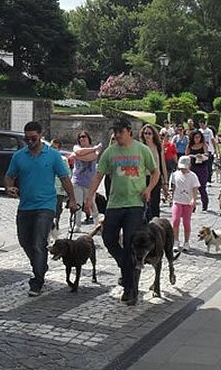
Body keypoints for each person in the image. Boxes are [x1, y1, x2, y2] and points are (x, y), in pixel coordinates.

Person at [84, 118, 159, 306]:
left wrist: (149, 189)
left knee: (129, 244)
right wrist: (89, 197)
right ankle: (126, 269)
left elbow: (155, 172)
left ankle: (130, 289)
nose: (117, 135)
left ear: (129, 132)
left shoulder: (142, 150)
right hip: (114, 204)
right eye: (115, 132)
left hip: (135, 203)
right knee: (108, 238)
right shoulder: (110, 152)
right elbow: (99, 175)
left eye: (120, 131)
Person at [4, 121, 78, 297]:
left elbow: (65, 178)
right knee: (24, 241)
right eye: (26, 138)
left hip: (46, 206)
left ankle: (37, 280)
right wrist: (9, 187)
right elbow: (9, 176)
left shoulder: (52, 155)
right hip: (25, 205)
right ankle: (40, 264)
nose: (29, 142)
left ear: (41, 135)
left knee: (38, 242)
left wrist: (73, 200)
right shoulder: (19, 156)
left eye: (33, 138)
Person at [71, 131, 102, 230]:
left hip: (90, 182)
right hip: (77, 181)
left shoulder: (94, 150)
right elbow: (79, 152)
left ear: (88, 138)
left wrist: (79, 156)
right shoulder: (76, 147)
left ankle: (97, 224)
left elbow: (92, 157)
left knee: (92, 203)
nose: (82, 139)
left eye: (84, 136)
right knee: (78, 203)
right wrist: (93, 149)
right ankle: (77, 225)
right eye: (80, 137)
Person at [169, 156, 200, 252]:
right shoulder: (175, 175)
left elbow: (195, 189)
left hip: (187, 203)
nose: (183, 170)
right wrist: (171, 197)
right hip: (177, 200)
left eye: (185, 168)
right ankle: (176, 241)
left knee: (186, 222)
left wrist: (193, 200)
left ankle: (186, 242)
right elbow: (173, 187)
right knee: (175, 220)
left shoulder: (193, 176)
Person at [140, 124, 169, 218]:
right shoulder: (141, 147)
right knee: (144, 204)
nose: (147, 135)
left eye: (149, 133)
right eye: (145, 133)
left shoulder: (158, 146)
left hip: (156, 178)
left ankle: (155, 226)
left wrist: (165, 181)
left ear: (153, 134)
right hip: (143, 178)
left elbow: (162, 164)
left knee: (154, 203)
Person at [50, 139, 71, 231]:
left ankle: (56, 228)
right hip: (49, 189)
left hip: (59, 190)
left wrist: (65, 186)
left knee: (57, 210)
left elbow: (68, 174)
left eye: (54, 147)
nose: (52, 149)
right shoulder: (46, 158)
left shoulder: (63, 160)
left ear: (59, 149)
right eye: (51, 147)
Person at [186, 130, 209, 211]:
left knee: (202, 187)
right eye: (196, 137)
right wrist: (194, 156)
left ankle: (205, 204)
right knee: (192, 187)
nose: (197, 139)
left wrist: (201, 156)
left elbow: (207, 154)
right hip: (193, 167)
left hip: (202, 167)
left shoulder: (203, 144)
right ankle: (193, 205)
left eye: (199, 137)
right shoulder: (189, 145)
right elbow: (186, 156)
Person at [198, 119, 217, 183]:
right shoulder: (199, 131)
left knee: (209, 166)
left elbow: (212, 140)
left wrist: (215, 149)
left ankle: (209, 179)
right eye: (200, 125)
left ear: (205, 124)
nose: (201, 126)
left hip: (209, 149)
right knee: (201, 165)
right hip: (201, 150)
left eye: (202, 124)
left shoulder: (209, 131)